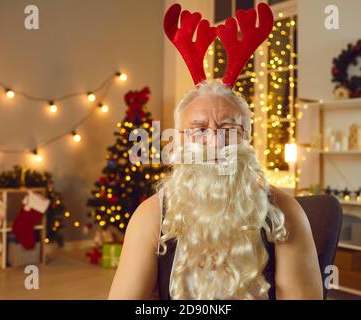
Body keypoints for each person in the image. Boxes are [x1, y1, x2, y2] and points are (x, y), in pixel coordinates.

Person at [108, 2, 322, 300]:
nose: (215, 142)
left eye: (229, 129)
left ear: (246, 138)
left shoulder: (284, 213)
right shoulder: (151, 217)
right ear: (181, 141)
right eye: (199, 129)